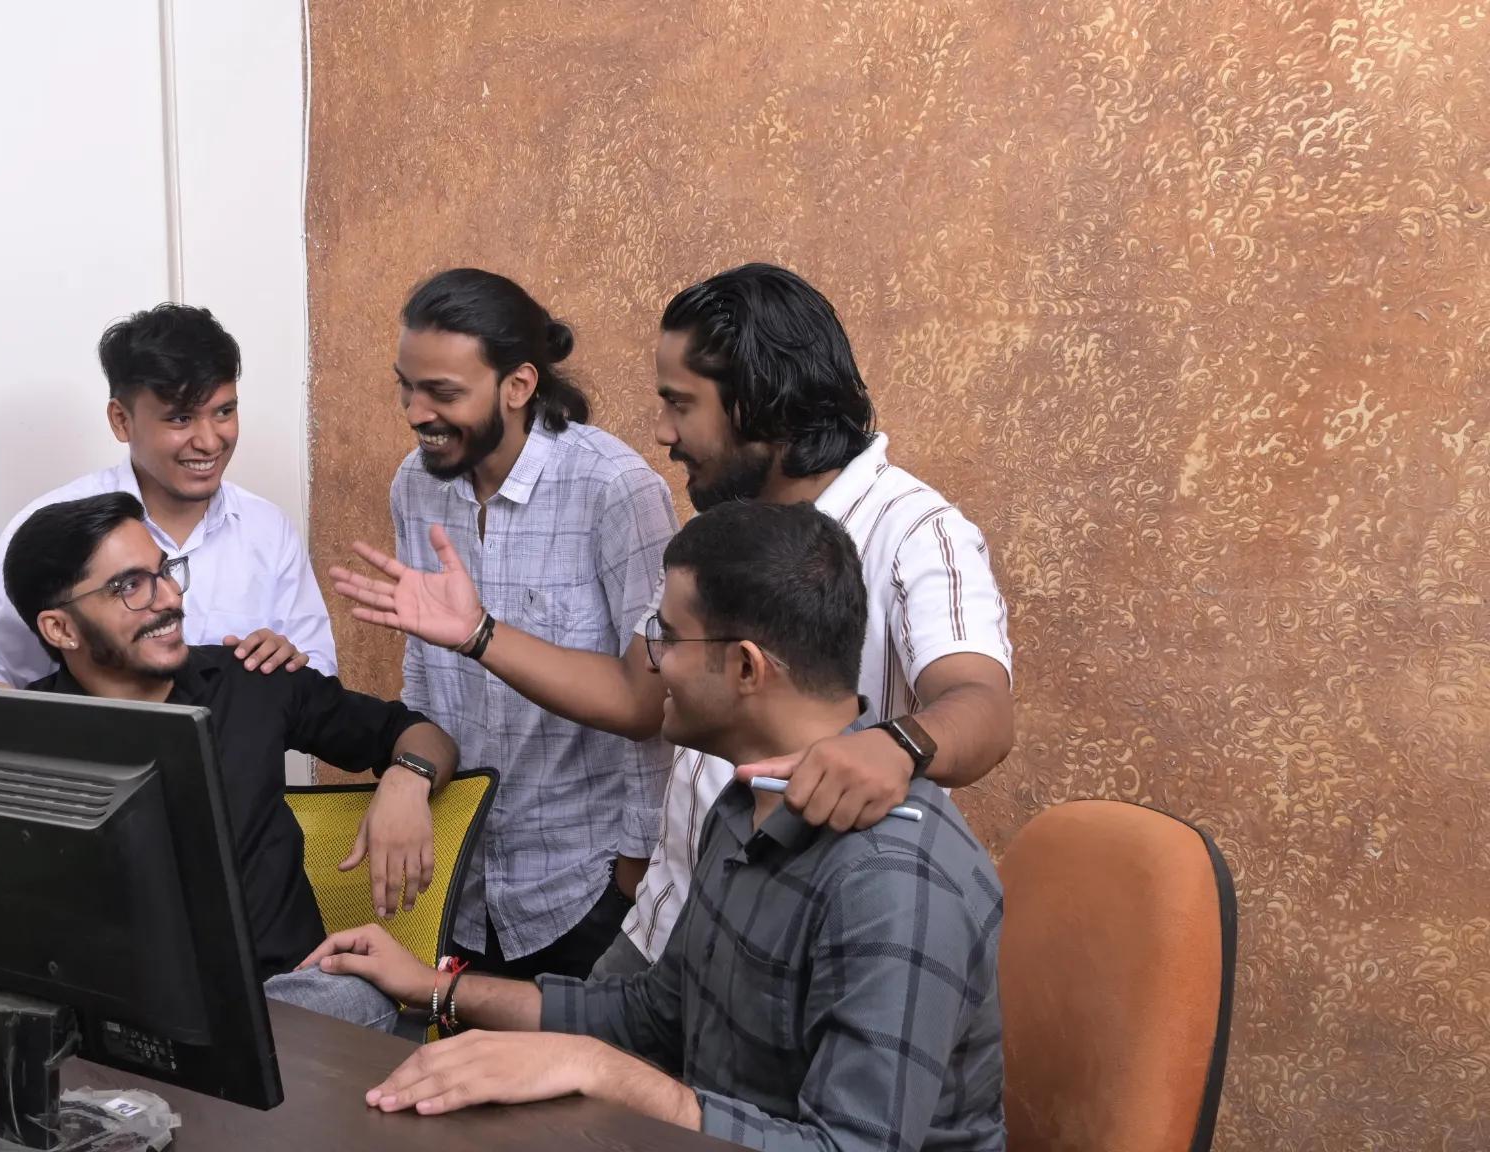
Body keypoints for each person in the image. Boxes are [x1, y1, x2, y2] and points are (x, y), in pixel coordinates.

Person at [333, 262, 1013, 977]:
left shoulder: (914, 532)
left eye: (680, 404)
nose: (661, 432)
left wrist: (894, 747)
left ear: (757, 404)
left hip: (790, 953)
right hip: (671, 926)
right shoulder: (732, 528)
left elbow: (983, 709)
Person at [304, 501, 1005, 1150]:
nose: (649, 657)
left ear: (745, 667)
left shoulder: (890, 881)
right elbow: (653, 1017)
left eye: (665, 635)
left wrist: (604, 1073)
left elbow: (851, 1146)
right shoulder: (742, 802)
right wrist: (437, 988)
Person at [0, 491, 450, 1028]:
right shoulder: (22, 740)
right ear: (61, 629)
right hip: (118, 1015)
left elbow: (420, 735)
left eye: (164, 572)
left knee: (355, 1000)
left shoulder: (251, 680)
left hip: (284, 1001)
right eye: (130, 586)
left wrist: (408, 779)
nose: (169, 598)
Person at [342, 268, 678, 981]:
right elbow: (426, 670)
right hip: (465, 881)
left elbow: (654, 703)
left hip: (586, 887)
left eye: (443, 393)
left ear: (519, 386)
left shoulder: (615, 489)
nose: (414, 412)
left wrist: (636, 866)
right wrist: (408, 773)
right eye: (407, 385)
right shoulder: (416, 482)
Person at [0, 303, 336, 689]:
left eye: (224, 412)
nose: (210, 440)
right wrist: (21, 728)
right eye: (180, 418)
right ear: (121, 420)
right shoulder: (54, 525)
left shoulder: (268, 529)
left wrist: (290, 665)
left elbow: (319, 673)